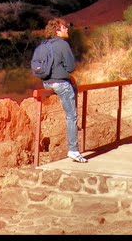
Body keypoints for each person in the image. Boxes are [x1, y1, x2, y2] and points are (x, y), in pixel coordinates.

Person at [41, 17, 87, 163]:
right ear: (57, 30)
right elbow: (71, 67)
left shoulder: (45, 44)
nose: (67, 28)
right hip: (61, 84)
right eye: (64, 27)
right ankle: (73, 150)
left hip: (47, 83)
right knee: (71, 116)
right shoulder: (63, 44)